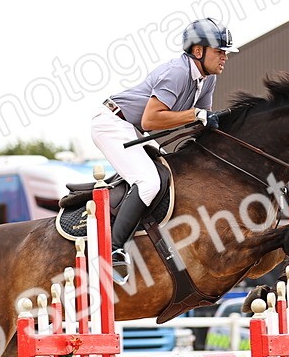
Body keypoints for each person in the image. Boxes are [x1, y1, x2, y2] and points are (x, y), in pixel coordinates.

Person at [91, 17, 237, 281]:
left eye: (225, 52)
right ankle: (112, 251)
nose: (224, 57)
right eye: (220, 51)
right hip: (113, 124)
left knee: (171, 171)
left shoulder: (207, 78)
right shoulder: (177, 72)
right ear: (198, 51)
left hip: (134, 129)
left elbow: (201, 121)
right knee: (149, 183)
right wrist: (197, 115)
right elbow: (152, 119)